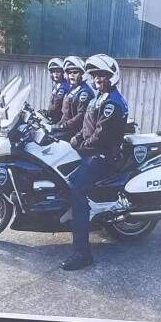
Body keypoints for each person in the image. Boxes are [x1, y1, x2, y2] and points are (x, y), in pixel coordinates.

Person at [61, 54, 129, 272]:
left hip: (103, 157)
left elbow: (101, 137)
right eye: (95, 75)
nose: (98, 79)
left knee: (77, 189)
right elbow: (87, 127)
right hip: (91, 152)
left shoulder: (112, 103)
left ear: (113, 76)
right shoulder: (98, 97)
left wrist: (80, 145)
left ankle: (82, 254)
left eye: (103, 75)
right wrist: (74, 139)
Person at [55, 55, 92, 135]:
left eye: (75, 72)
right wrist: (58, 124)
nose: (71, 75)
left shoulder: (84, 92)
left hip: (75, 131)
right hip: (66, 128)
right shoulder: (73, 89)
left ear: (82, 74)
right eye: (69, 73)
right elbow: (66, 114)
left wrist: (63, 126)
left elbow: (80, 116)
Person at [43, 56, 71, 121]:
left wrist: (47, 113)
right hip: (54, 118)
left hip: (60, 120)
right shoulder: (57, 85)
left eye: (58, 72)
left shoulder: (63, 86)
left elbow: (57, 105)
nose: (55, 74)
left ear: (62, 73)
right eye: (53, 72)